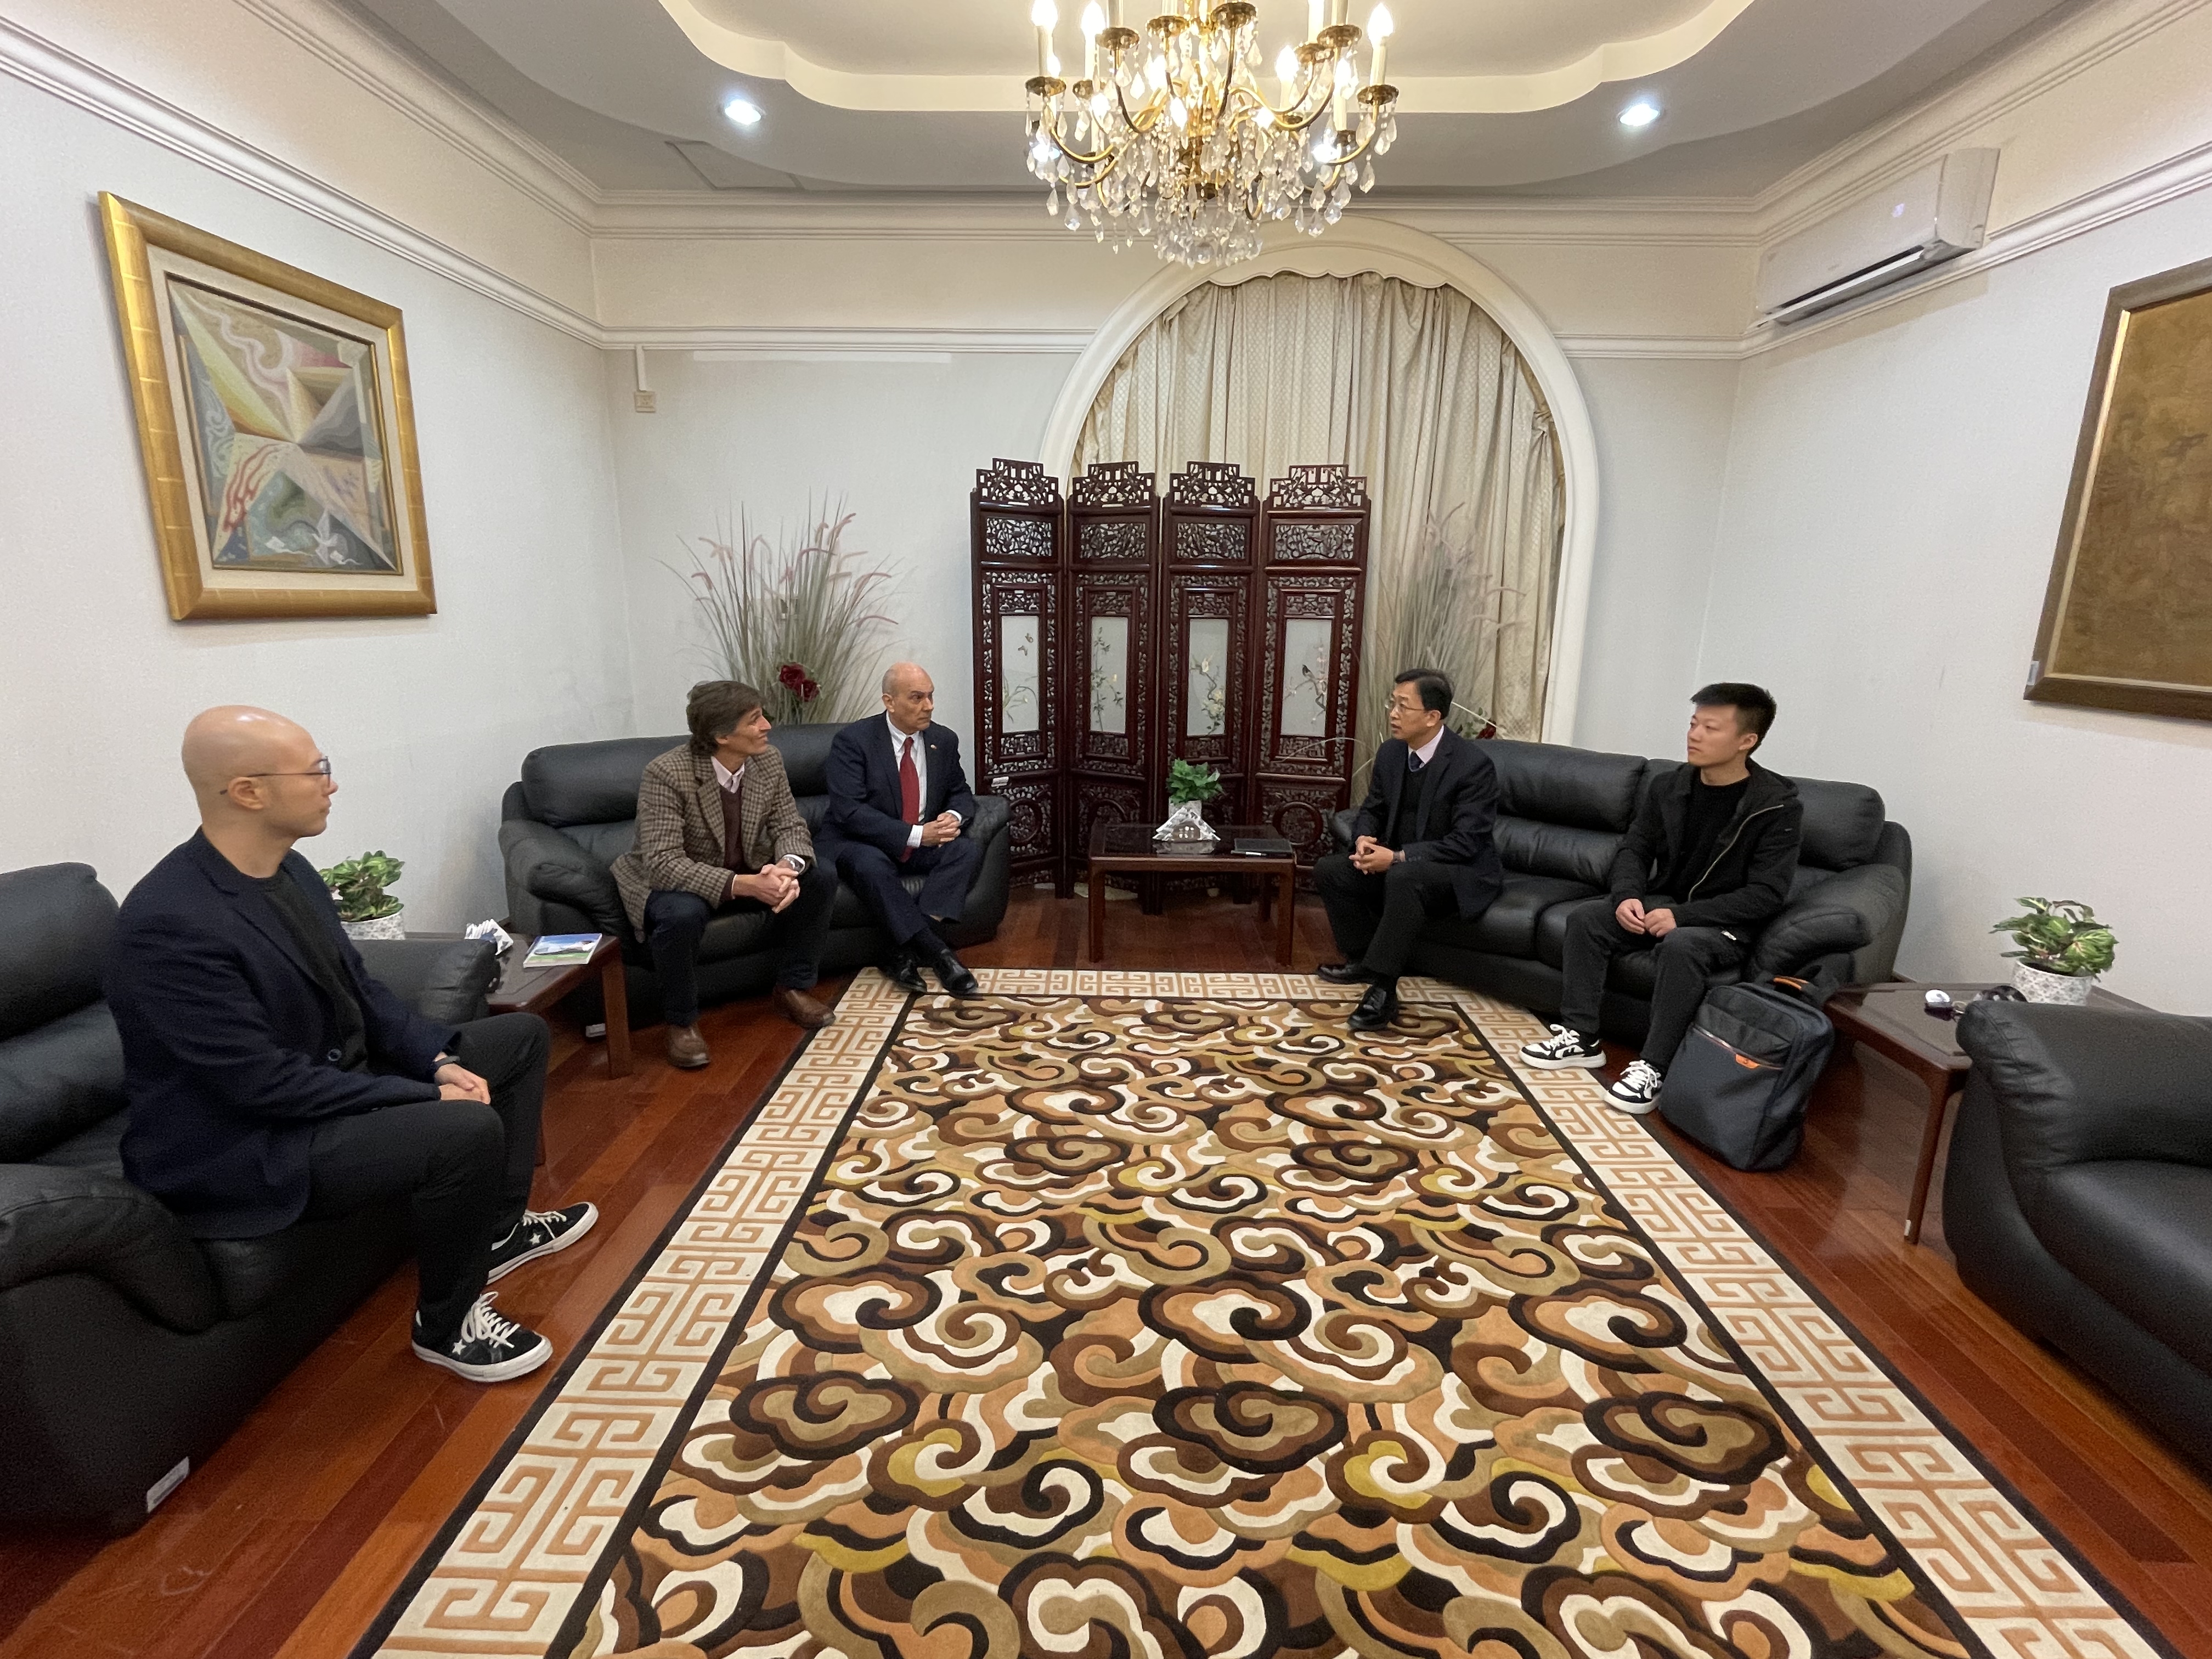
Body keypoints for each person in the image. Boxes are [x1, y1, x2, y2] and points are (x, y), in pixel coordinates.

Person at [108, 707, 595, 1385]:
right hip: (248, 1142)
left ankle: (499, 1230)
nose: (331, 785)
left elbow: (361, 991)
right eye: (316, 771)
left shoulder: (293, 870)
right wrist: (428, 1093)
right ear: (248, 791)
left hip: (318, 1085)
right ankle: (446, 1325)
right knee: (462, 1127)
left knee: (518, 1037)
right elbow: (262, 1086)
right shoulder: (169, 924)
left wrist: (438, 1059)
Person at [1519, 682, 1802, 1113]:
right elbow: (1635, 848)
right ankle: (1581, 1037)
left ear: (1748, 741)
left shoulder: (1775, 807)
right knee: (1588, 920)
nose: (1695, 735)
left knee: (1683, 944)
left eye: (1711, 727)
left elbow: (1766, 894)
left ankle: (1654, 1066)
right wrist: (1627, 896)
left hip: (1725, 923)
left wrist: (1683, 916)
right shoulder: (1671, 786)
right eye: (1693, 724)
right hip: (1666, 902)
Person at [612, 680, 837, 1065]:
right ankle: (682, 1023)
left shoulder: (768, 760)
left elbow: (790, 825)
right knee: (681, 914)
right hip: (680, 878)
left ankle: (792, 989)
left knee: (820, 877)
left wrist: (787, 867)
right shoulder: (667, 773)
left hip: (748, 865)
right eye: (754, 720)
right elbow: (665, 864)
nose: (767, 725)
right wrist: (746, 885)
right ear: (721, 735)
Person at [1314, 668, 1504, 1032]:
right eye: (1393, 703)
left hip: (1459, 871)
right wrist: (1364, 840)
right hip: (1404, 866)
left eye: (1403, 706)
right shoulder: (1391, 753)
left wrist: (1398, 857)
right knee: (1332, 869)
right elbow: (1373, 808)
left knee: (1404, 875)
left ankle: (1383, 990)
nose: (1393, 714)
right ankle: (1362, 958)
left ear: (1433, 717)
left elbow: (1466, 843)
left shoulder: (1473, 766)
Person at [819, 663, 983, 998]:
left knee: (965, 849)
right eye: (917, 697)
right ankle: (939, 954)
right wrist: (919, 835)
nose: (929, 706)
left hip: (918, 842)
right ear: (889, 702)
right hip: (859, 841)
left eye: (931, 696)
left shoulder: (943, 740)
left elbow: (960, 792)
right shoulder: (854, 741)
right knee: (870, 864)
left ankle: (901, 952)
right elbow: (849, 811)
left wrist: (952, 816)